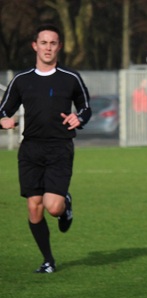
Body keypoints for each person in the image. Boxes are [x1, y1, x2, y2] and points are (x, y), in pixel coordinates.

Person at [0, 24, 91, 274]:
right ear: (35, 46)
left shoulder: (70, 78)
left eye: (53, 43)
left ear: (59, 46)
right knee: (34, 207)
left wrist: (79, 119)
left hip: (59, 148)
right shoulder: (21, 80)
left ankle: (66, 204)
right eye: (43, 43)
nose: (48, 47)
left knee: (53, 207)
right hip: (30, 149)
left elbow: (86, 108)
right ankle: (48, 260)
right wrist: (3, 120)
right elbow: (3, 109)